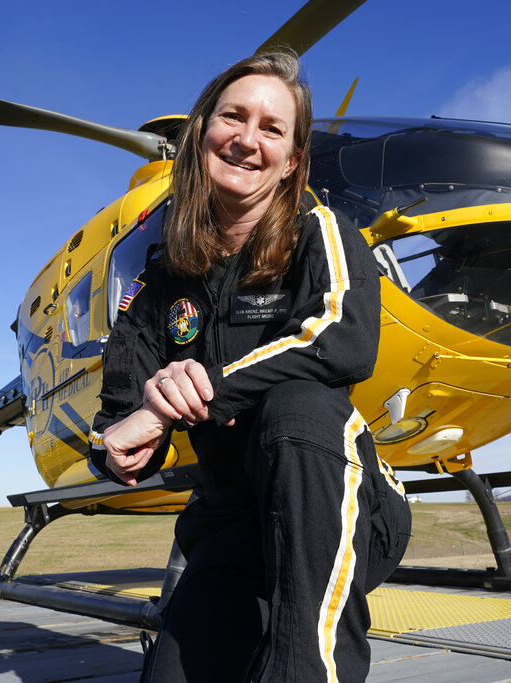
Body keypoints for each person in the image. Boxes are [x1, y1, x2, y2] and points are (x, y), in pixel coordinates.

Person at [88, 50, 411, 682]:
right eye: (233, 117)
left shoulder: (320, 232)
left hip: (341, 509)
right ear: (201, 134)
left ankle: (306, 667)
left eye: (272, 128)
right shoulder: (159, 290)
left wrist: (194, 396)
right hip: (231, 528)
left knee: (300, 406)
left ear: (292, 160)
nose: (247, 139)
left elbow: (344, 341)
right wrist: (122, 447)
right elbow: (120, 433)